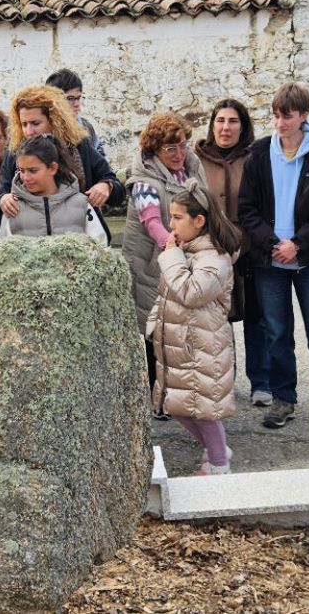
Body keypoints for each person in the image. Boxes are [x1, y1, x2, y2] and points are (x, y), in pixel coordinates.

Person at [238, 82, 309, 436]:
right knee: (277, 334)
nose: (280, 122)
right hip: (270, 262)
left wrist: (297, 244)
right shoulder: (259, 154)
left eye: (288, 115)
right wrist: (272, 243)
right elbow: (248, 209)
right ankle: (284, 399)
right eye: (276, 115)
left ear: (304, 116)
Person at [149, 180, 242, 475]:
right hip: (178, 344)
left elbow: (191, 293)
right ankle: (217, 450)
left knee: (203, 410)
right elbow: (167, 294)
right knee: (177, 406)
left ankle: (218, 464)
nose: (171, 224)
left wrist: (172, 257)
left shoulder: (214, 258)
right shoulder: (185, 251)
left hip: (202, 347)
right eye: (171, 216)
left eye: (177, 218)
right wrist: (154, 323)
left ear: (199, 221)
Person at [123, 112, 203, 419]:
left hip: (177, 264)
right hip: (150, 267)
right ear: (155, 149)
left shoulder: (190, 171)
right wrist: (174, 244)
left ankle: (177, 393)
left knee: (177, 333)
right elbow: (152, 222)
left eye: (182, 145)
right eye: (170, 148)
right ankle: (158, 398)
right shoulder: (144, 181)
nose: (179, 154)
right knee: (153, 334)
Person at [196, 98, 270, 406]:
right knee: (217, 319)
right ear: (212, 125)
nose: (226, 128)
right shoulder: (196, 159)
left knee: (256, 317)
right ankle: (224, 378)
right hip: (211, 251)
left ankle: (262, 382)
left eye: (233, 121)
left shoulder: (255, 157)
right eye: (220, 121)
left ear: (243, 126)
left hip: (249, 249)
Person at [0, 85, 124, 218]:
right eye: (24, 124)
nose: (29, 132)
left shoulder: (79, 147)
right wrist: (4, 199)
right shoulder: (15, 152)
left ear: (54, 121)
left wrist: (106, 186)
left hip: (78, 226)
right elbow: (2, 191)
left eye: (35, 123)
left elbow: (117, 191)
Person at [0, 135, 108, 243]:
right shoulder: (13, 207)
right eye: (22, 170)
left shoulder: (81, 204)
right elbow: (2, 250)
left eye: (33, 171)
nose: (26, 177)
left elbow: (100, 244)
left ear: (52, 168)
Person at [45, 68, 106, 158]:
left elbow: (101, 165)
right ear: (53, 100)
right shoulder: (42, 129)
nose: (77, 104)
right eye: (70, 98)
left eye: (78, 98)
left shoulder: (86, 128)